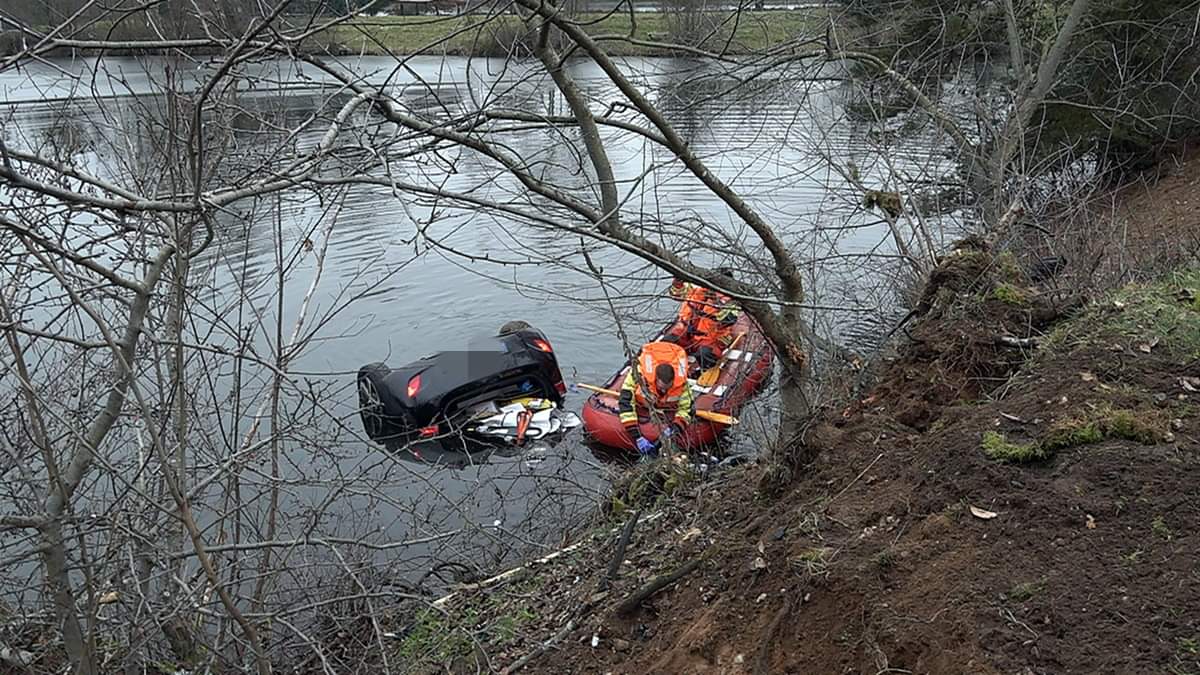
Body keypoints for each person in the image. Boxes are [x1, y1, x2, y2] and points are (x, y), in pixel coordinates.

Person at [618, 341, 694, 457]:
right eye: (662, 388)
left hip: (667, 410)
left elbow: (686, 410)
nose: (664, 391)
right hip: (643, 405)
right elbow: (625, 402)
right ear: (655, 379)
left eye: (668, 388)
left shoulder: (682, 384)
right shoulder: (638, 375)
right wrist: (637, 436)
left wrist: (674, 429)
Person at [665, 269, 740, 371]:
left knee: (705, 353)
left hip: (710, 339)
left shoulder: (730, 302)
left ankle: (705, 372)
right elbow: (677, 293)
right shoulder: (697, 290)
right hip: (687, 334)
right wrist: (678, 282)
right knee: (668, 341)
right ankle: (667, 367)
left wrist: (719, 304)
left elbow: (729, 319)